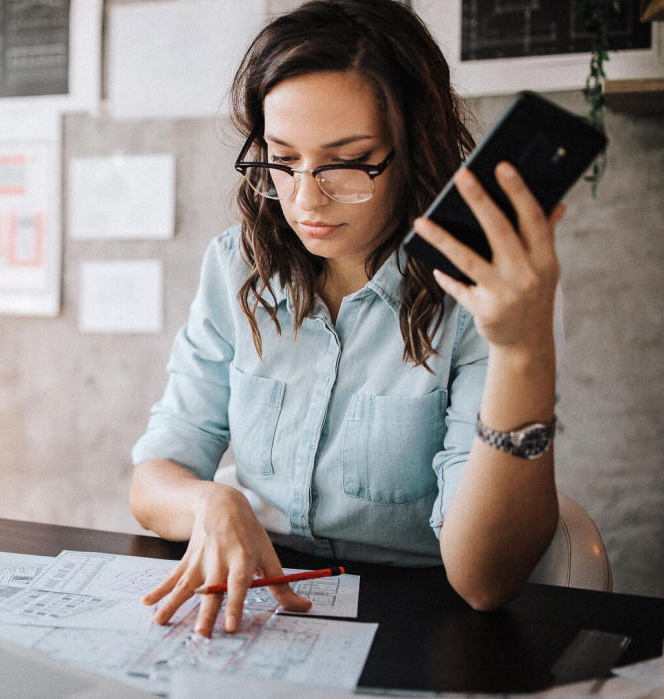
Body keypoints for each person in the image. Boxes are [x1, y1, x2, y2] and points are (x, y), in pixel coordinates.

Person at [130, 0, 564, 638]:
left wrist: (523, 351)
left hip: (417, 624)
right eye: (282, 159)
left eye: (348, 162)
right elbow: (154, 478)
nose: (305, 199)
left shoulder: (481, 296)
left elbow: (485, 581)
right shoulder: (235, 268)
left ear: (414, 148)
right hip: (262, 614)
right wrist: (210, 501)